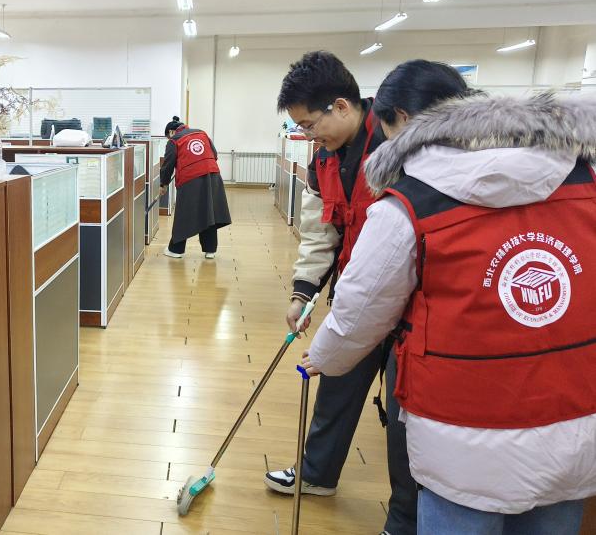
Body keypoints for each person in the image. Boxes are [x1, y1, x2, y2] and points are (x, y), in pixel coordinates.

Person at [300, 87, 596, 534]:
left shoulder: (410, 200)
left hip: (462, 431)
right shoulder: (584, 181)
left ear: (405, 122)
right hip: (571, 421)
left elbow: (361, 309)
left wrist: (325, 355)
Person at [266, 53, 467, 535]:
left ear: (341, 106)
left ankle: (403, 519)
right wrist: (303, 291)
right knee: (336, 382)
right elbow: (321, 230)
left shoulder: (403, 141)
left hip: (414, 306)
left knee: (402, 418)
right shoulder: (323, 158)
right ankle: (316, 474)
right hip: (358, 291)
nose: (308, 137)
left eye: (310, 125)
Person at [160, 117, 231, 259]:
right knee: (209, 211)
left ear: (171, 132)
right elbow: (214, 154)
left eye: (168, 136)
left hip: (191, 179)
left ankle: (176, 250)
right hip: (213, 176)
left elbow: (168, 165)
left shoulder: (174, 141)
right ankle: (210, 250)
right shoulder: (202, 133)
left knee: (184, 213)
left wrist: (163, 184)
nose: (169, 139)